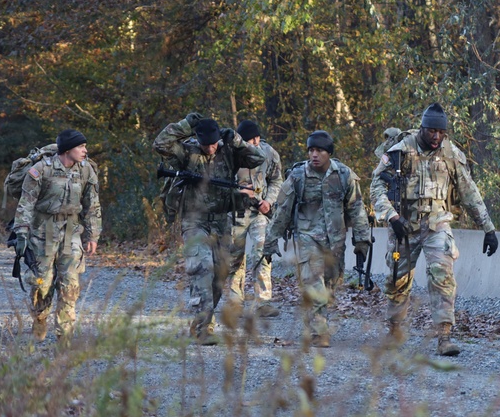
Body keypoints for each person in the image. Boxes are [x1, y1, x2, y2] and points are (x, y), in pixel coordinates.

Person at [370, 103, 499, 356]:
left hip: (437, 224)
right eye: (431, 131)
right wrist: (392, 216)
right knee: (398, 279)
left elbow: (469, 193)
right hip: (403, 227)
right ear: (422, 128)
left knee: (442, 276)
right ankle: (394, 329)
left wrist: (489, 229)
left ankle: (445, 336)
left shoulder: (451, 155)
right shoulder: (399, 153)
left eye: (441, 133)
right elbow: (376, 188)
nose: (436, 137)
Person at [153, 113, 264, 345]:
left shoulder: (228, 150)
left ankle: (200, 324)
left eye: (214, 143)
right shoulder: (188, 152)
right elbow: (160, 144)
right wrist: (184, 125)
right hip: (195, 221)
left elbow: (257, 158)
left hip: (222, 220)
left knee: (219, 276)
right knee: (202, 269)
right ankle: (204, 329)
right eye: (206, 144)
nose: (211, 148)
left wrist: (236, 140)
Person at [262, 130, 371, 347]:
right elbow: (282, 211)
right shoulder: (298, 176)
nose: (314, 155)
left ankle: (314, 323)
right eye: (311, 150)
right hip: (307, 239)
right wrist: (270, 240)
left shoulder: (344, 175)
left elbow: (356, 209)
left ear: (328, 153)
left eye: (319, 150)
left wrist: (362, 240)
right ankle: (320, 331)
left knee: (330, 286)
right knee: (313, 282)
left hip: (335, 243)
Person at [12, 129, 101, 341]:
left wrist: (93, 235)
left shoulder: (86, 169)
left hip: (71, 231)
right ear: (68, 149)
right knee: (41, 282)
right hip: (43, 231)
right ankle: (40, 316)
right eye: (81, 147)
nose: (85, 150)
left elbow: (92, 205)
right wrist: (22, 232)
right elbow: (26, 203)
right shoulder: (41, 170)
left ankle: (64, 336)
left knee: (70, 283)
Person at [227, 120, 283, 318]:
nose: (254, 142)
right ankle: (234, 302)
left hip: (260, 211)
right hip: (236, 211)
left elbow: (277, 180)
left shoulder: (269, 153)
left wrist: (269, 200)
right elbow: (220, 182)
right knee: (235, 256)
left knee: (262, 251)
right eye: (250, 140)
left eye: (256, 138)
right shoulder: (231, 154)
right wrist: (237, 193)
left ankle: (263, 301)